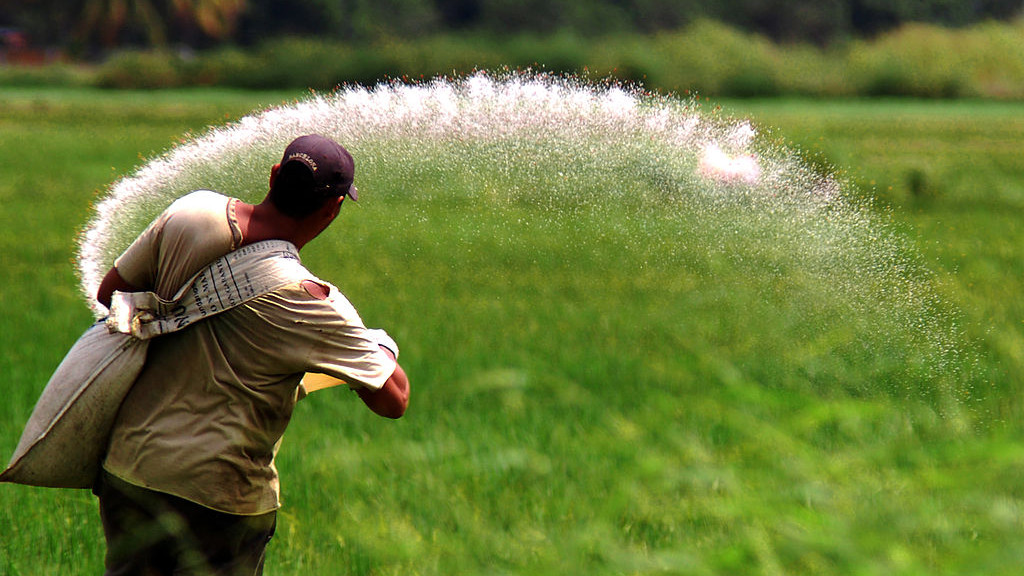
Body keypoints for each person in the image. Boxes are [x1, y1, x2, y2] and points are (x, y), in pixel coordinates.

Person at [92, 134, 410, 576]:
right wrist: (377, 343)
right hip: (218, 498)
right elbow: (393, 398)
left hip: (130, 473)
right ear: (332, 208)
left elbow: (111, 296)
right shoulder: (313, 302)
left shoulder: (192, 212)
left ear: (275, 175)